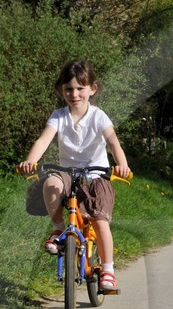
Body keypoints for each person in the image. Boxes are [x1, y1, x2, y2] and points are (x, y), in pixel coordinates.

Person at [16, 59, 133, 294]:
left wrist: (122, 165)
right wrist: (31, 161)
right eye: (69, 89)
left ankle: (108, 269)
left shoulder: (98, 116)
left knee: (99, 220)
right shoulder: (59, 116)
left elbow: (113, 142)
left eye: (80, 88)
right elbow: (43, 139)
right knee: (50, 183)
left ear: (92, 89)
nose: (74, 94)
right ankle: (59, 228)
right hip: (67, 172)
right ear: (62, 91)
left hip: (96, 175)